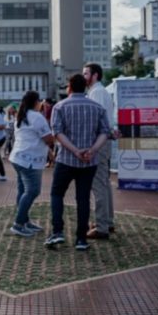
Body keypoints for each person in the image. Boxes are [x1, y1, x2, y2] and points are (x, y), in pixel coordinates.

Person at [44, 74, 110, 251]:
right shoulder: (97, 108)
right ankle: (81, 239)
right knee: (83, 199)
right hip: (89, 162)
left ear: (70, 87)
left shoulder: (60, 107)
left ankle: (57, 231)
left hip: (66, 159)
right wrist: (92, 150)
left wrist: (74, 150)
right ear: (85, 87)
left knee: (57, 194)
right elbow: (105, 132)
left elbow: (57, 133)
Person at [8, 91, 55, 237]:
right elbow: (48, 138)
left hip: (18, 158)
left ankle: (25, 221)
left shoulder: (21, 116)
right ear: (36, 101)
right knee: (32, 191)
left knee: (23, 191)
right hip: (30, 161)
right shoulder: (37, 117)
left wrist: (49, 152)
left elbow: (35, 138)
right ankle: (18, 224)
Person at [83, 62, 115, 240]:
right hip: (103, 142)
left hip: (99, 143)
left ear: (95, 75)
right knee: (104, 183)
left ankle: (102, 226)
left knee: (98, 184)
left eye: (86, 73)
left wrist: (92, 146)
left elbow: (97, 121)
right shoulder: (97, 92)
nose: (84, 77)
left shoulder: (97, 93)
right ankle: (107, 222)